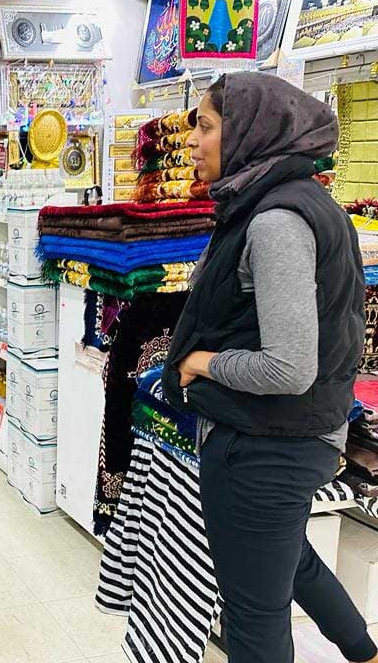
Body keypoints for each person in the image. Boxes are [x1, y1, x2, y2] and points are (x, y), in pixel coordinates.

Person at [163, 72, 378, 663]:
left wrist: (203, 361)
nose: (192, 141)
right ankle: (364, 651)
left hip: (267, 443)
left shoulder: (275, 219)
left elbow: (289, 367)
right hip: (287, 435)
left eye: (207, 127)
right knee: (291, 560)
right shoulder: (288, 202)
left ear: (251, 132)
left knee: (254, 619)